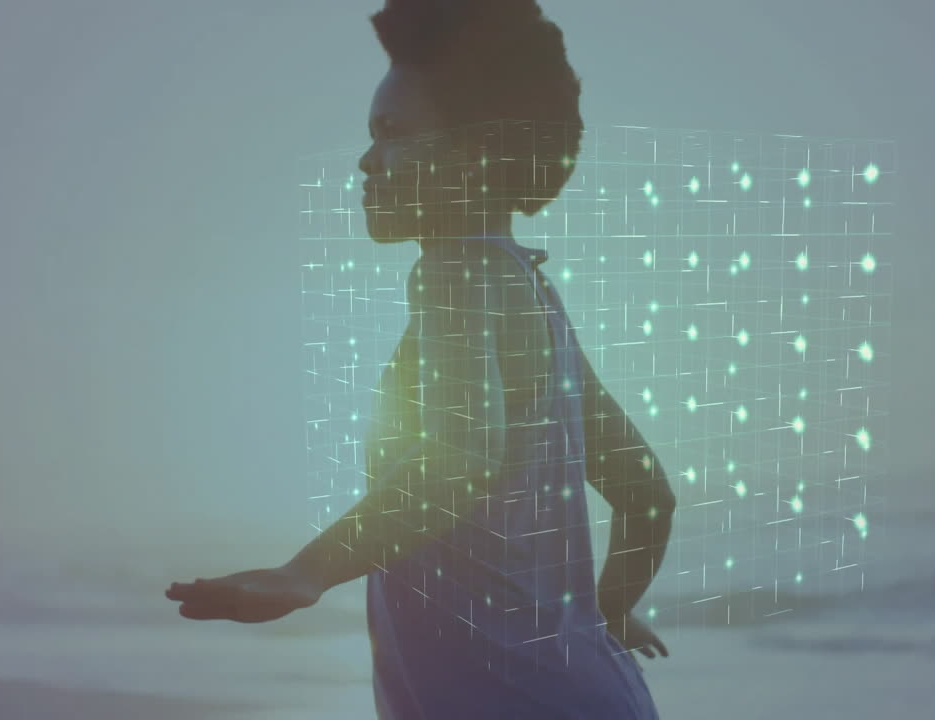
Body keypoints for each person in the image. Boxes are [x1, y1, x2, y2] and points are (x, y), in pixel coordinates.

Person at [166, 2, 677, 717]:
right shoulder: (529, 293)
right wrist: (606, 615)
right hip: (587, 691)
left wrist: (304, 574)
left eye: (393, 133)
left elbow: (461, 454)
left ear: (474, 154)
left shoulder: (454, 274)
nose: (367, 161)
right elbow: (647, 493)